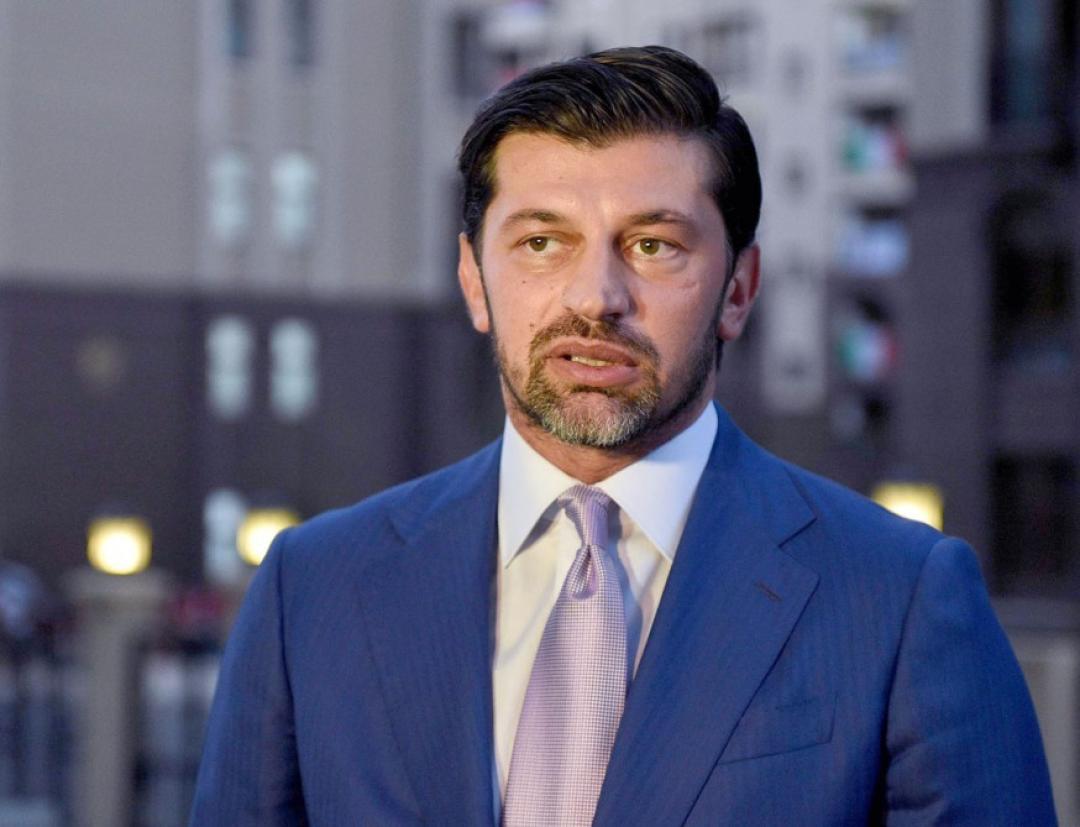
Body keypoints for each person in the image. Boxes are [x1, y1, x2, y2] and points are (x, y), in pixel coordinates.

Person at [190, 46, 1056, 825]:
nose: (596, 297)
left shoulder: (900, 599)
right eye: (541, 242)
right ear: (474, 281)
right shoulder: (313, 591)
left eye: (652, 245)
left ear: (739, 289)